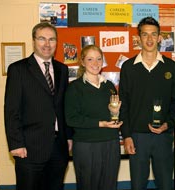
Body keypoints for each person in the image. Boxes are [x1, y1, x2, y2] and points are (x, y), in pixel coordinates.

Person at [4, 22, 72, 190]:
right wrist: (16, 144)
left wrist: (69, 136)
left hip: (58, 148)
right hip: (29, 149)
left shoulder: (62, 69)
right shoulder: (18, 69)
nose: (47, 44)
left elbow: (64, 107)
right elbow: (11, 110)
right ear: (33, 40)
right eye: (42, 39)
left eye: (51, 39)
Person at [119, 16, 175, 190]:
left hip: (163, 137)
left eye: (153, 34)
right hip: (137, 137)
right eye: (145, 34)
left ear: (159, 37)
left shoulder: (170, 67)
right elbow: (123, 104)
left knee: (165, 185)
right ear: (139, 38)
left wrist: (167, 124)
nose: (149, 39)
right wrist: (126, 136)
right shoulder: (128, 67)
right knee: (138, 185)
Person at [65, 45, 123, 190]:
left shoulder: (109, 86)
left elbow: (112, 116)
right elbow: (72, 119)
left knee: (109, 186)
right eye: (90, 59)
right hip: (87, 145)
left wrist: (114, 112)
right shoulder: (75, 88)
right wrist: (101, 124)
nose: (95, 63)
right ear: (82, 62)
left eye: (98, 59)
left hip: (111, 143)